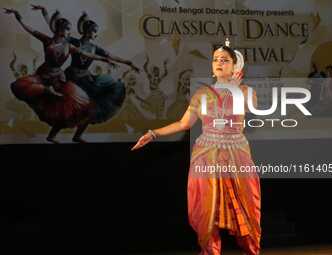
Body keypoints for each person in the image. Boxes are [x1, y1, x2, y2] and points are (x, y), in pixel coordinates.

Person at [131, 38, 261, 255]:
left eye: (225, 60)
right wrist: (153, 134)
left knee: (247, 206)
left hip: (236, 154)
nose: (219, 63)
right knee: (206, 211)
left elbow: (254, 113)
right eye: (215, 59)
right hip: (206, 155)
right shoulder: (202, 94)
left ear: (235, 65)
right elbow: (183, 124)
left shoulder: (246, 91)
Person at [4, 7, 118, 143]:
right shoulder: (47, 40)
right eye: (68, 29)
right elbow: (29, 29)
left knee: (77, 106)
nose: (70, 32)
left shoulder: (68, 45)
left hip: (59, 78)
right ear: (60, 30)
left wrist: (103, 59)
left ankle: (63, 136)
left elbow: (85, 53)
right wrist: (18, 16)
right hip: (44, 75)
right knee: (45, 97)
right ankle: (48, 96)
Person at [32, 5, 140, 143]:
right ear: (89, 32)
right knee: (69, 110)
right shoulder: (73, 41)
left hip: (87, 81)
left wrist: (128, 62)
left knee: (89, 110)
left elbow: (111, 56)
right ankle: (52, 136)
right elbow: (55, 31)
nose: (96, 35)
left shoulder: (95, 48)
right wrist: (45, 13)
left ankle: (77, 136)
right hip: (73, 80)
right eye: (95, 32)